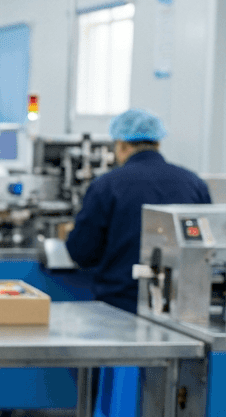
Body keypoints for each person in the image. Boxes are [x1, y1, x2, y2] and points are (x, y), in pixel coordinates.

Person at [66, 109, 211, 313]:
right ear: (158, 143)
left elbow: (82, 251)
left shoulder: (107, 185)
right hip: (182, 306)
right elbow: (204, 245)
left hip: (119, 304)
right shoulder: (193, 183)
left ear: (122, 145)